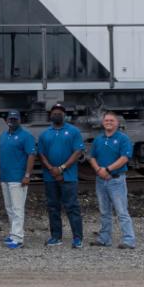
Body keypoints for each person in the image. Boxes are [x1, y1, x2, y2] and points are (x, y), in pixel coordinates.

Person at [38, 103, 85, 249]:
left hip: (68, 177)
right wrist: (52, 169)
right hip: (50, 177)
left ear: (64, 115)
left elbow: (77, 152)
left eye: (60, 112)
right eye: (54, 112)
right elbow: (41, 154)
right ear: (50, 115)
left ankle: (78, 238)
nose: (57, 114)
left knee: (72, 207)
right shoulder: (45, 134)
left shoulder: (73, 131)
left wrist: (62, 168)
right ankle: (56, 237)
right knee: (53, 207)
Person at [88, 112, 136, 249]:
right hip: (100, 180)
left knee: (122, 211)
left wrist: (107, 170)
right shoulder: (98, 139)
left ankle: (129, 240)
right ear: (103, 123)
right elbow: (92, 157)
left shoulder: (123, 138)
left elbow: (125, 158)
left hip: (116, 180)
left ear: (117, 123)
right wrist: (98, 170)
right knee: (104, 211)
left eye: (111, 120)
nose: (108, 122)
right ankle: (104, 239)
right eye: (106, 120)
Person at [0, 110, 37, 249]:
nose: (12, 121)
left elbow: (31, 155)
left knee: (17, 208)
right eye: (10, 118)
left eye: (15, 119)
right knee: (9, 207)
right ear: (7, 120)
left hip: (18, 178)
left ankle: (18, 238)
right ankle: (13, 233)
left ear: (19, 120)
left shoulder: (26, 136)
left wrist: (27, 175)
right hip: (5, 177)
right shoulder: (3, 135)